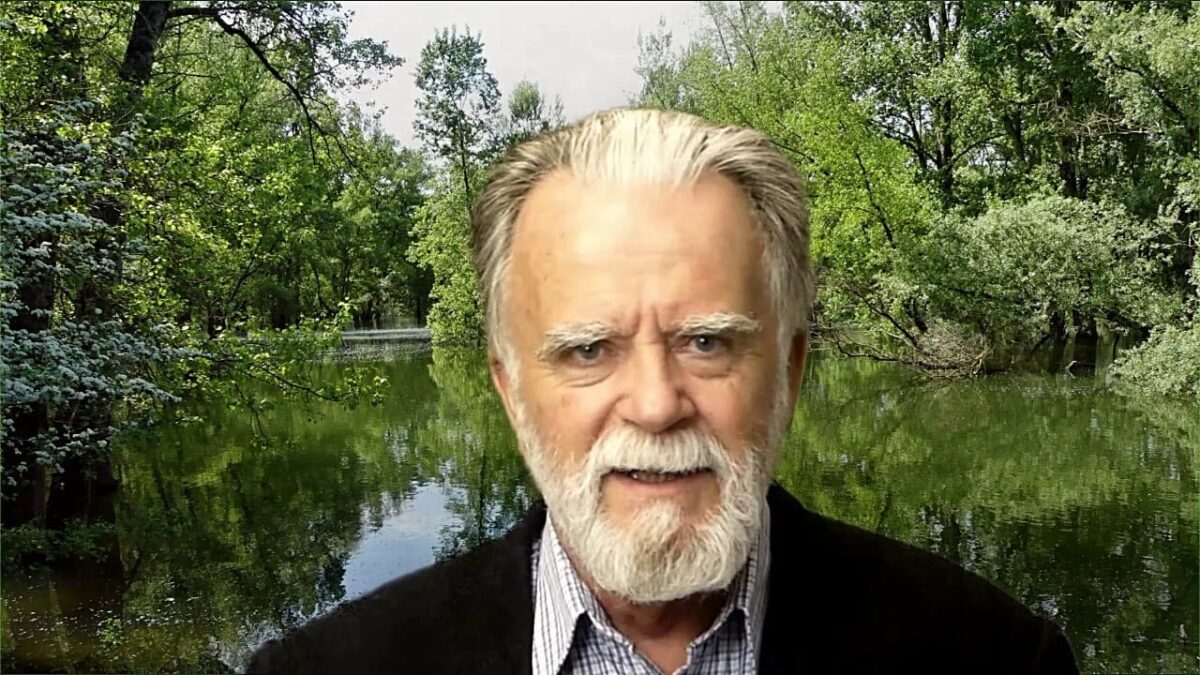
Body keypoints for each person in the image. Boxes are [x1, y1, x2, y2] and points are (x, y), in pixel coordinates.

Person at [247, 108, 1078, 674]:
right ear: (510, 389)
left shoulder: (997, 658)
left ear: (789, 371)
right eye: (588, 349)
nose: (654, 404)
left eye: (706, 342)